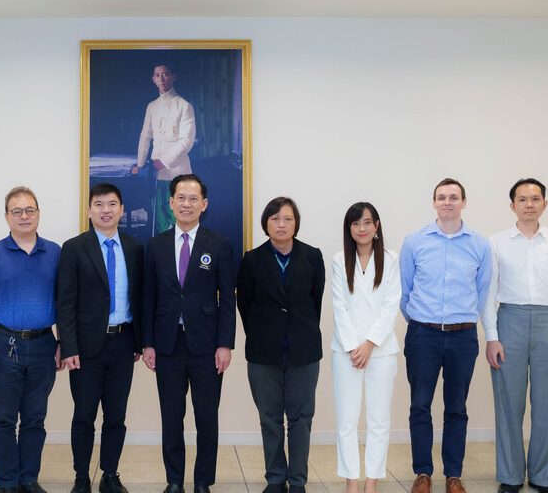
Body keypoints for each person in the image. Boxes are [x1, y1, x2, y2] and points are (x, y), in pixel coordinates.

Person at [483, 178, 548, 493]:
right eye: (522, 199)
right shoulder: (496, 242)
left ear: (544, 204)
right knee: (508, 404)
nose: (529, 204)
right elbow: (488, 294)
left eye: (535, 198)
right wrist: (491, 336)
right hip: (508, 319)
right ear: (512, 205)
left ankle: (544, 476)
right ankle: (510, 476)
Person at [141, 173, 237, 493]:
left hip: (207, 346)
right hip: (167, 345)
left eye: (193, 198)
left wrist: (225, 344)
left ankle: (202, 482)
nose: (186, 204)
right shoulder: (155, 246)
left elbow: (227, 300)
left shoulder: (220, 245)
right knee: (172, 417)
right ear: (170, 203)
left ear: (204, 204)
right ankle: (173, 481)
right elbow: (148, 298)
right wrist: (148, 344)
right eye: (180, 198)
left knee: (207, 417)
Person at [398, 178, 492, 493]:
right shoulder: (415, 242)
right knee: (420, 405)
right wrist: (422, 322)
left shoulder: (479, 245)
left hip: (463, 338)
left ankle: (453, 475)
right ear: (434, 202)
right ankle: (423, 473)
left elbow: (483, 293)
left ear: (463, 202)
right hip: (422, 335)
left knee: (456, 408)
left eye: (454, 197)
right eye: (442, 197)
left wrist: (461, 321)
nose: (447, 202)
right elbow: (405, 291)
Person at [0, 186, 63, 493]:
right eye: (17, 211)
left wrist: (62, 343)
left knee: (35, 418)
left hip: (43, 345)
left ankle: (28, 479)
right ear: (7, 216)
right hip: (2, 344)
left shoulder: (55, 252)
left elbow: (65, 303)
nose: (24, 216)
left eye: (30, 210)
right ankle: (8, 482)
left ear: (38, 214)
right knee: (4, 420)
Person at [56, 183, 145, 493]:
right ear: (89, 210)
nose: (105, 210)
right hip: (85, 347)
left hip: (123, 344)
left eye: (112, 204)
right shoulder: (74, 248)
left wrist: (140, 341)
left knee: (116, 416)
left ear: (121, 209)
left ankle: (110, 474)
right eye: (99, 204)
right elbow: (64, 302)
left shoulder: (135, 248)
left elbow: (142, 298)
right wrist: (68, 346)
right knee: (83, 415)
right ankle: (82, 476)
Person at [237, 197, 325, 493]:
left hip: (304, 351)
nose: (281, 224)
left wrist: (299, 330)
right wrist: (264, 332)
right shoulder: (251, 259)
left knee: (301, 419)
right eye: (275, 219)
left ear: (296, 223)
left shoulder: (312, 257)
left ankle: (297, 480)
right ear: (266, 223)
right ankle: (275, 478)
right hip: (264, 352)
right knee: (270, 418)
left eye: (287, 218)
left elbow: (316, 301)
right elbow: (244, 304)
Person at [329, 203, 399, 493]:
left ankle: (372, 480)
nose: (362, 229)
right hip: (345, 352)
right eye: (356, 224)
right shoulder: (338, 260)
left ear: (377, 226)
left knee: (378, 419)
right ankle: (352, 481)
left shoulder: (391, 259)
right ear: (349, 229)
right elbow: (338, 306)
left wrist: (370, 344)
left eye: (367, 223)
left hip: (381, 351)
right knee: (346, 419)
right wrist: (353, 347)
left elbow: (391, 304)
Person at [131, 64, 196, 235]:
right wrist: (140, 164)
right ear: (153, 79)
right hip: (156, 173)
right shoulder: (152, 106)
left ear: (173, 76)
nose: (161, 78)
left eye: (165, 74)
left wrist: (164, 161)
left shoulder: (184, 105)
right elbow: (145, 136)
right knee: (158, 220)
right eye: (157, 75)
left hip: (178, 172)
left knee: (178, 219)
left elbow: (186, 141)